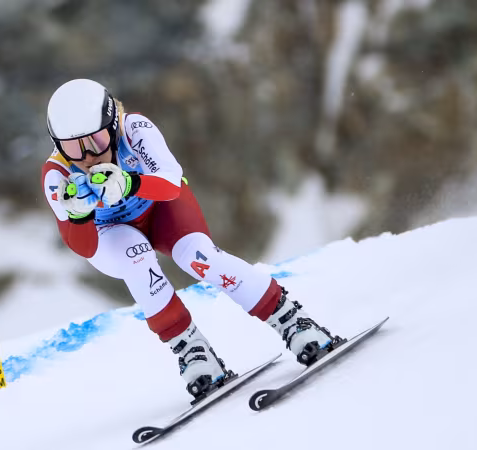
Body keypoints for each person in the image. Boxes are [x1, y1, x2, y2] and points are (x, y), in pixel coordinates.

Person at [41, 79, 341, 400]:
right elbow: (84, 247)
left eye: (97, 141)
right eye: (73, 147)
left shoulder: (135, 129)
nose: (87, 156)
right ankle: (193, 353)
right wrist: (79, 215)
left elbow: (170, 183)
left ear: (113, 126)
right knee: (135, 257)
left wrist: (129, 183)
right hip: (111, 233)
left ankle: (292, 321)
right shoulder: (57, 176)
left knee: (200, 257)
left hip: (160, 208)